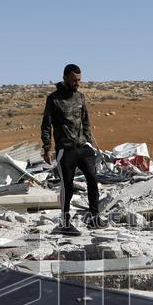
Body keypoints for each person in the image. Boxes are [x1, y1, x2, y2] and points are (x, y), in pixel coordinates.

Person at [41, 64, 104, 233]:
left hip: (83, 148)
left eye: (79, 80)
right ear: (65, 78)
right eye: (74, 80)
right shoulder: (53, 99)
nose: (77, 83)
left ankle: (94, 218)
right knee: (67, 186)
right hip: (65, 150)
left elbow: (86, 121)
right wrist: (47, 148)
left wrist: (89, 141)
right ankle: (65, 223)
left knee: (92, 179)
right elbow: (46, 125)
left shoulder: (80, 97)